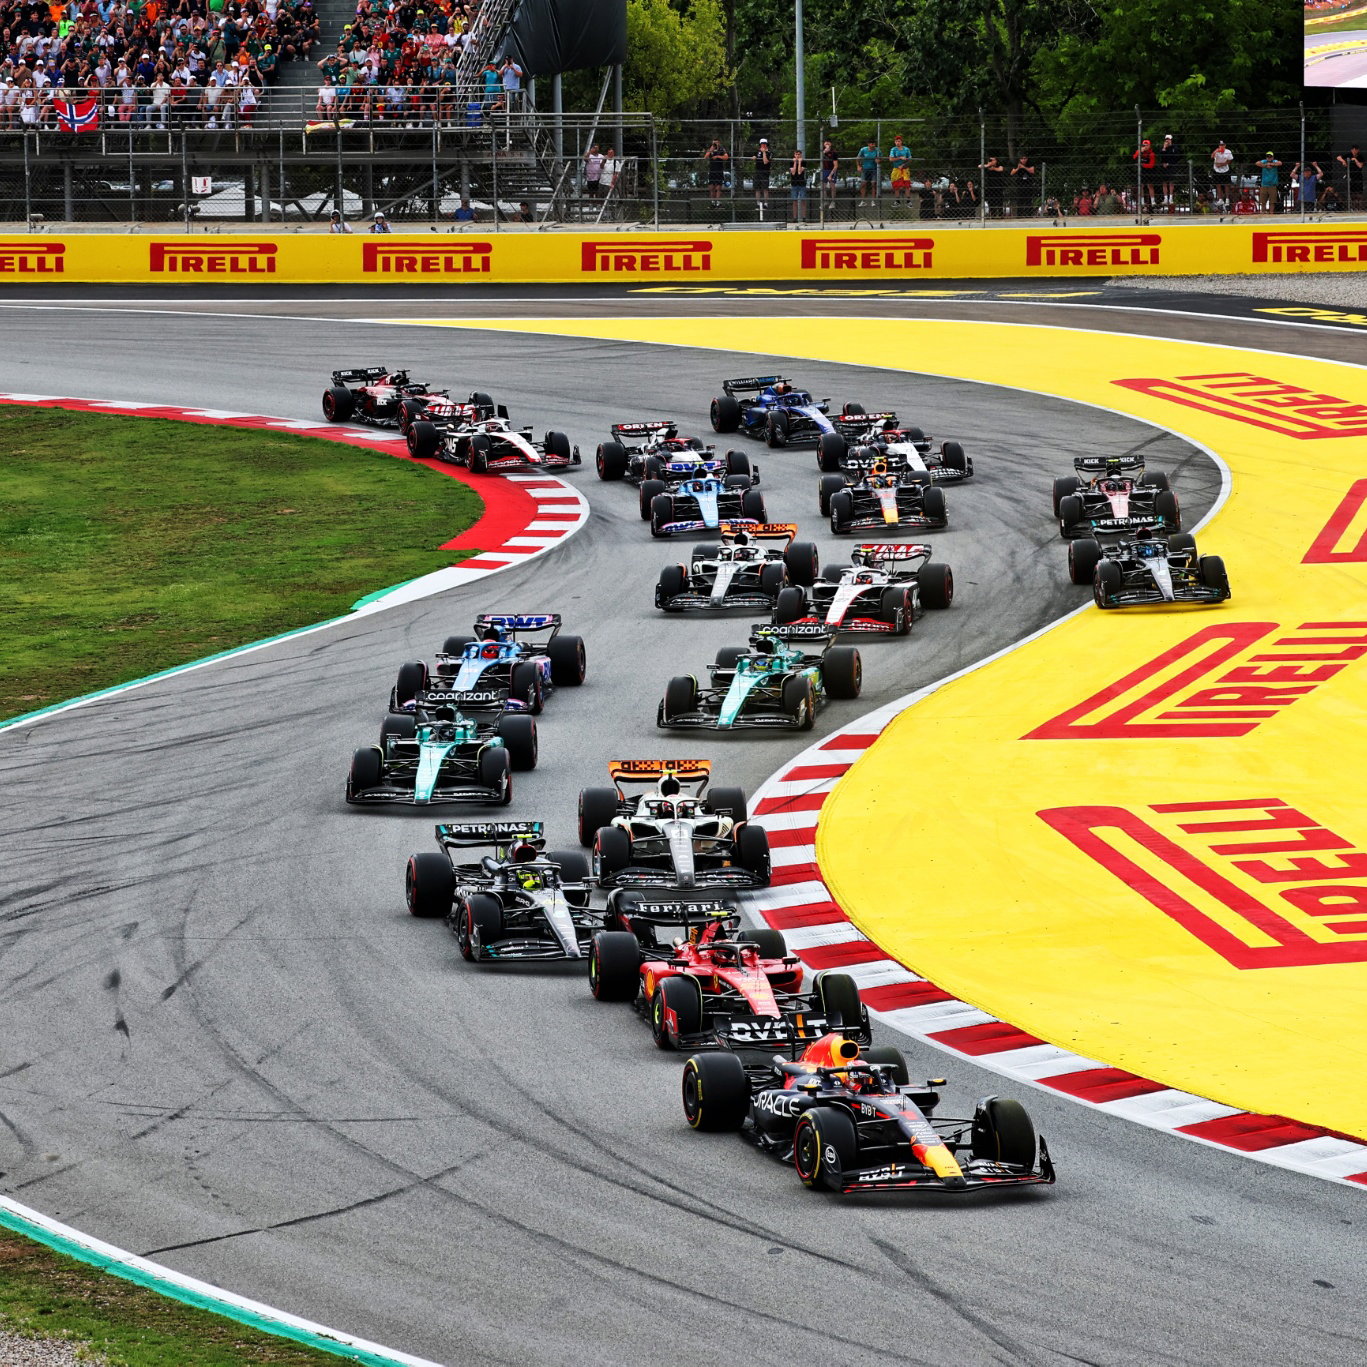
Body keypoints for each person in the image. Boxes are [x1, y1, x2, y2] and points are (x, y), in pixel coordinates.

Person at [1131, 138, 1157, 209]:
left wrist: (1142, 165)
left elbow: (1151, 165)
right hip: (1141, 171)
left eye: (1146, 145)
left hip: (1149, 171)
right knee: (1141, 186)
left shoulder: (1151, 154)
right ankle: (1142, 202)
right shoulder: (1139, 151)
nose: (1145, 146)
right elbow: (1134, 158)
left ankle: (1153, 201)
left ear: (1149, 146)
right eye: (1143, 145)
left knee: (1150, 185)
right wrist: (1140, 152)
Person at [1158, 134, 1181, 211]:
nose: (1167, 141)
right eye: (1166, 139)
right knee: (1164, 182)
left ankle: (1171, 198)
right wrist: (1164, 148)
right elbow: (1161, 156)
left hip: (1171, 166)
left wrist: (1169, 163)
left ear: (1171, 140)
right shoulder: (1163, 148)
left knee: (1171, 182)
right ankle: (1165, 198)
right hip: (1164, 167)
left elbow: (1176, 157)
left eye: (1169, 139)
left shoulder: (1175, 148)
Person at [1210, 139, 1235, 211]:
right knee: (1218, 185)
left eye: (1223, 145)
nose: (1221, 146)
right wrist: (1216, 151)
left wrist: (1222, 164)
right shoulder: (1216, 151)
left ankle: (1227, 199)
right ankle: (1220, 199)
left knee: (1227, 184)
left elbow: (1230, 160)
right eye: (1220, 145)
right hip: (1217, 170)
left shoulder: (1228, 152)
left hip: (1225, 170)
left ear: (1225, 145)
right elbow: (1212, 156)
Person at [1336, 144, 1363, 209]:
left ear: (1358, 150)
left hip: (1358, 176)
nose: (1354, 152)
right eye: (1353, 150)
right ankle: (1352, 207)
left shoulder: (1360, 157)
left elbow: (1360, 166)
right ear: (1352, 150)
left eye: (1356, 150)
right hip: (1350, 176)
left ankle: (1360, 207)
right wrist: (1343, 161)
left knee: (1359, 193)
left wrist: (1355, 160)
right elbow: (1338, 157)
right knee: (1352, 192)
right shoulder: (1349, 155)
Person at [704, 136, 728, 204]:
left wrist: (718, 156)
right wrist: (710, 150)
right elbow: (705, 157)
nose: (714, 144)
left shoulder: (721, 149)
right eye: (713, 143)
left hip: (719, 170)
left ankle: (717, 202)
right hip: (712, 170)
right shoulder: (711, 149)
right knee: (711, 187)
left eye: (716, 143)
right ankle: (712, 202)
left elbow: (726, 157)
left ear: (719, 143)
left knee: (718, 187)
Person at [856, 137, 879, 205]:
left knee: (873, 184)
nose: (873, 145)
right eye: (871, 144)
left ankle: (873, 201)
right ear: (868, 144)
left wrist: (878, 161)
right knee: (863, 184)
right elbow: (858, 158)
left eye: (874, 144)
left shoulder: (877, 150)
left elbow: (880, 160)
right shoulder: (863, 149)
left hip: (874, 169)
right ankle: (863, 201)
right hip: (865, 169)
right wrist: (858, 166)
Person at [888, 134, 911, 201]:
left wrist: (903, 165)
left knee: (907, 185)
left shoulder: (906, 149)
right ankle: (897, 201)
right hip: (896, 169)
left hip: (905, 169)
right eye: (896, 141)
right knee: (896, 185)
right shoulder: (893, 149)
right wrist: (900, 158)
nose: (897, 143)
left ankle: (908, 201)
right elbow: (891, 159)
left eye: (899, 141)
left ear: (901, 142)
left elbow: (910, 159)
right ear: (895, 142)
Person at [789, 148, 807, 222]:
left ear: (801, 155)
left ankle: (804, 217)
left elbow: (799, 172)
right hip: (794, 183)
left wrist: (799, 162)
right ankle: (794, 217)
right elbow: (793, 172)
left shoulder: (804, 162)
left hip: (802, 183)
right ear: (794, 155)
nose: (797, 156)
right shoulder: (791, 162)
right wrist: (794, 163)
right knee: (794, 201)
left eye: (799, 154)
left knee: (803, 200)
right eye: (796, 154)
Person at [753, 136, 771, 211]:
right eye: (762, 144)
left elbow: (765, 161)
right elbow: (754, 157)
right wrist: (754, 157)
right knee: (757, 188)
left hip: (765, 171)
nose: (763, 145)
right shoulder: (757, 151)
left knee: (765, 188)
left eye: (765, 144)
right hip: (758, 171)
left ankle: (766, 204)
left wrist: (764, 152)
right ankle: (758, 203)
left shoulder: (769, 152)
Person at [820, 139, 838, 209]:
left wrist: (830, 175)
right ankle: (825, 201)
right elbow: (820, 158)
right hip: (824, 170)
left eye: (829, 142)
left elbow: (836, 165)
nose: (827, 143)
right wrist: (825, 151)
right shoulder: (822, 152)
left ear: (831, 144)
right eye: (825, 142)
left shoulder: (834, 152)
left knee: (832, 186)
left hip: (832, 170)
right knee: (822, 187)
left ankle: (833, 202)